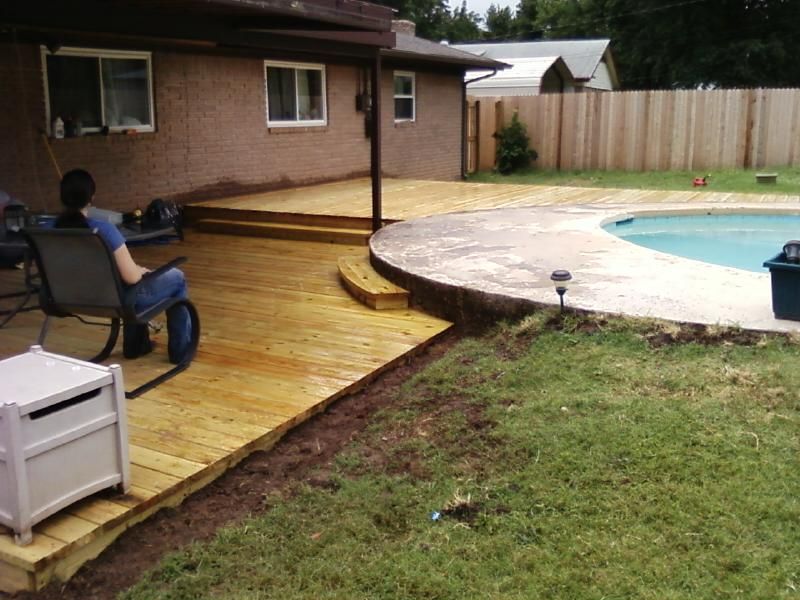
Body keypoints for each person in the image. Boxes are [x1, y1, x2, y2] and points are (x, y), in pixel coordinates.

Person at [55, 169, 192, 363]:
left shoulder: (50, 230)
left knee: (133, 278)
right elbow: (132, 278)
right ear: (91, 196)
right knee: (177, 278)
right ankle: (181, 351)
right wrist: (140, 271)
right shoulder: (103, 230)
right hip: (115, 300)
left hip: (70, 297)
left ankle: (136, 345)